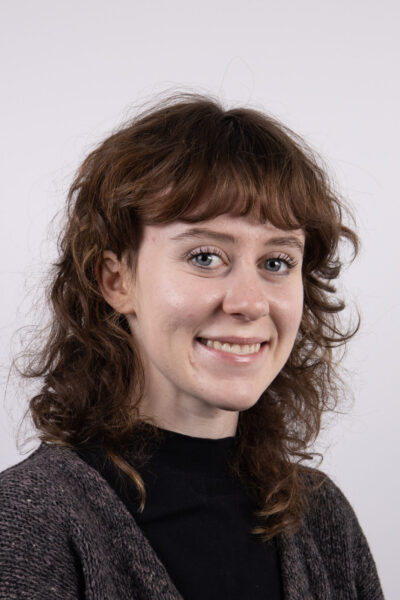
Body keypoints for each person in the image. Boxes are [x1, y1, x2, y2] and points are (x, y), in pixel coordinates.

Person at [0, 94, 384, 599]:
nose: (250, 303)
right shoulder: (28, 522)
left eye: (276, 262)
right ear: (117, 281)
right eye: (205, 256)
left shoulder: (322, 517)